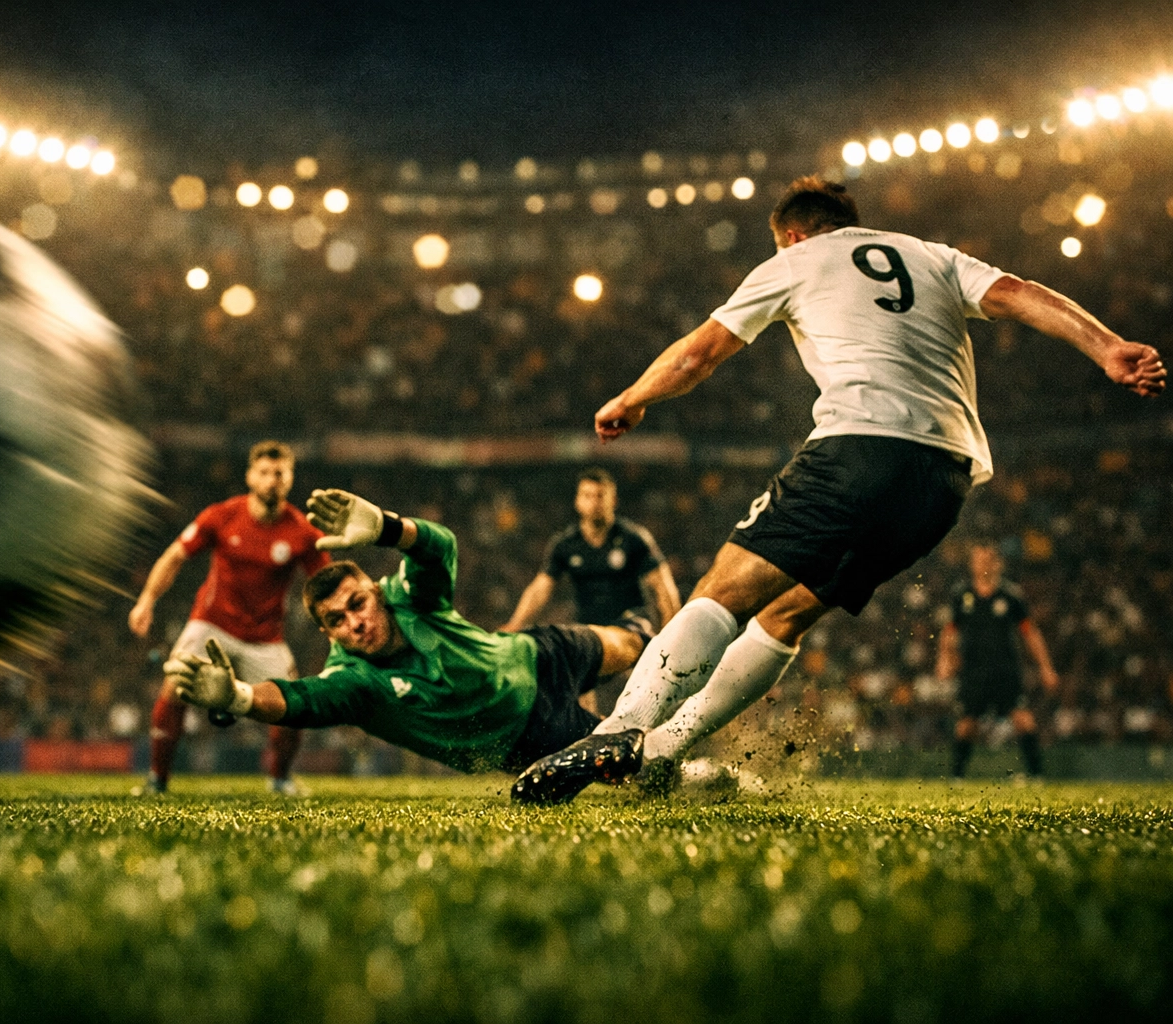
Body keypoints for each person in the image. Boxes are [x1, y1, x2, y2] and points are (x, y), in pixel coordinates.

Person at [512, 176, 1165, 804]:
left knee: (724, 592)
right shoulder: (931, 256)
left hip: (859, 449)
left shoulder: (796, 262)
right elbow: (1019, 293)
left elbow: (696, 356)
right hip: (946, 480)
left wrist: (631, 399)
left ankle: (615, 733)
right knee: (785, 616)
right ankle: (662, 755)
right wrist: (1106, 347)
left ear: (791, 236)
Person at [162, 488, 648, 776]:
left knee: (633, 644)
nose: (355, 621)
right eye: (337, 621)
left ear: (374, 591)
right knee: (644, 767)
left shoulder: (409, 594)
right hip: (528, 737)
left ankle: (676, 641)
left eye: (358, 604)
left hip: (534, 655)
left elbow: (440, 549)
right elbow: (301, 700)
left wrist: (387, 529)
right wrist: (240, 698)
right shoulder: (353, 682)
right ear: (330, 635)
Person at [128, 441, 328, 795]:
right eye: (264, 473)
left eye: (279, 474)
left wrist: (334, 628)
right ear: (250, 476)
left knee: (294, 707)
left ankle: (280, 779)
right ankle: (157, 780)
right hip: (211, 624)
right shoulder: (222, 516)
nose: (271, 481)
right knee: (174, 686)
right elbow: (175, 555)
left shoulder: (302, 532)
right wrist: (146, 600)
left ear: (290, 480)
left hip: (265, 636)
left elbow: (326, 586)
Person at [500, 468, 681, 637]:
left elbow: (663, 589)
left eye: (600, 496)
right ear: (577, 501)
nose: (594, 502)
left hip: (632, 627)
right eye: (587, 496)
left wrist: (671, 634)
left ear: (614, 500)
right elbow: (540, 589)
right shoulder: (565, 544)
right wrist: (515, 625)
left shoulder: (634, 539)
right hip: (589, 632)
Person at [937, 543, 1058, 778]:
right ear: (972, 563)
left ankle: (1037, 776)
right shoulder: (961, 594)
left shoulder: (1010, 595)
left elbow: (1030, 632)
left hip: (1005, 670)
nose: (983, 564)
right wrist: (944, 659)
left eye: (987, 559)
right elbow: (950, 631)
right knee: (966, 725)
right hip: (973, 671)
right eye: (978, 559)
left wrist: (1046, 667)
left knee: (1023, 720)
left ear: (997, 563)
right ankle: (956, 777)